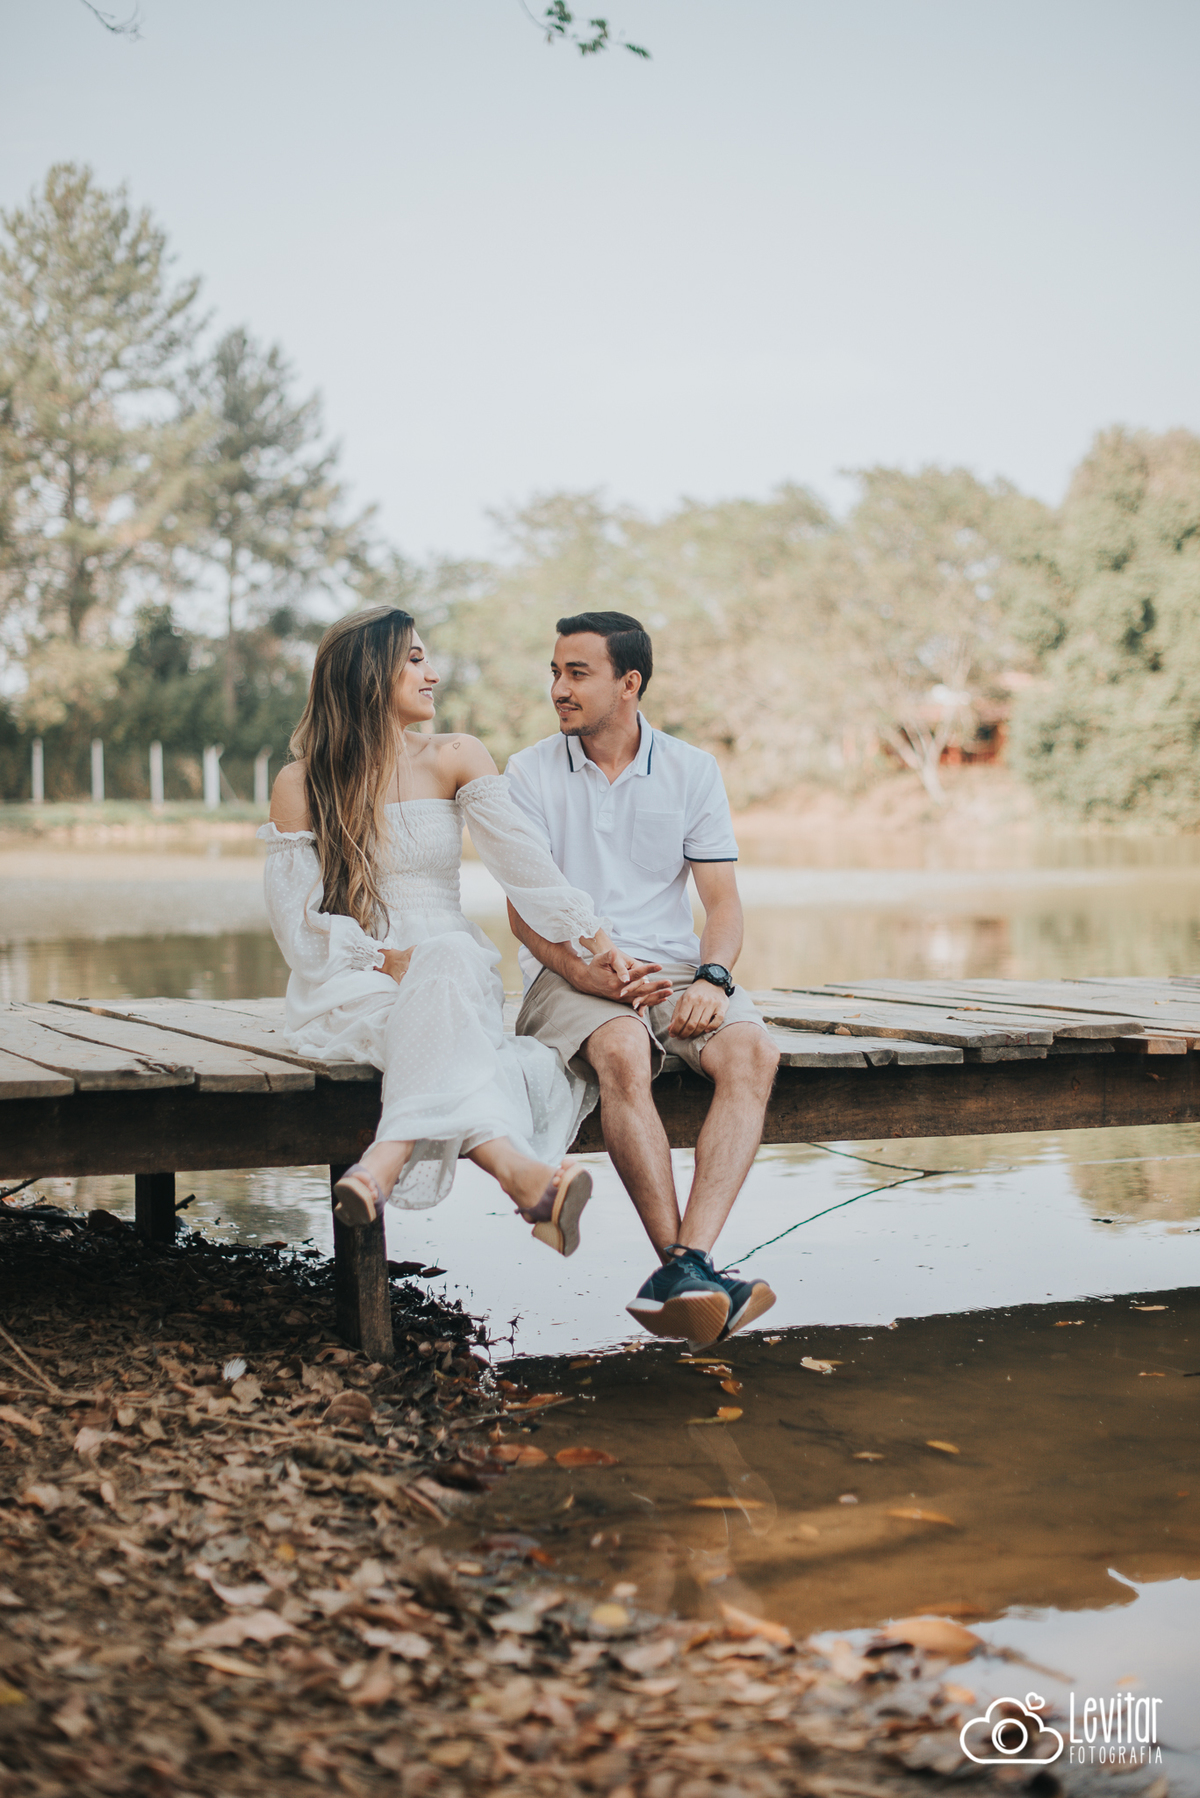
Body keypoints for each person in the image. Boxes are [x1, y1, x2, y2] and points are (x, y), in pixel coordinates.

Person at [260, 604, 619, 1254]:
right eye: (416, 659)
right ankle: (521, 1177)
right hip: (350, 980)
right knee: (450, 1001)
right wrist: (380, 959)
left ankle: (382, 1165)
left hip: (453, 972)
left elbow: (527, 870)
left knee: (450, 954)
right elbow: (299, 925)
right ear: (371, 674)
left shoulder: (458, 755)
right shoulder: (301, 782)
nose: (433, 674)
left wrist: (599, 943)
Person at [505, 611, 781, 1347]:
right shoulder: (527, 772)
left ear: (629, 683)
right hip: (569, 974)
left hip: (677, 968)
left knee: (753, 1053)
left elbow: (721, 902)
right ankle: (681, 1267)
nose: (558, 688)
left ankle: (687, 1266)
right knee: (624, 1049)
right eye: (555, 671)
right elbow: (526, 914)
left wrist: (714, 980)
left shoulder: (691, 769)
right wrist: (587, 974)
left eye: (577, 673)